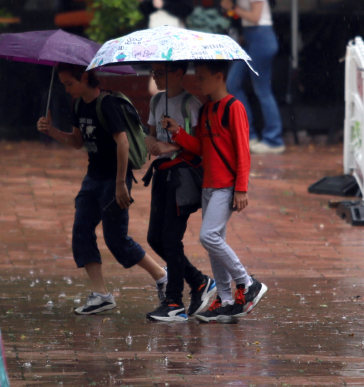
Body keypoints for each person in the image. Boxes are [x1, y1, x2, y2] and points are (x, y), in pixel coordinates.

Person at [36, 63, 168, 315]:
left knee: (116, 239)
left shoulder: (107, 104)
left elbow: (123, 143)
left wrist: (120, 184)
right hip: (92, 178)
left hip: (114, 180)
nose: (66, 89)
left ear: (85, 77)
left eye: (69, 84)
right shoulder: (78, 105)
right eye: (63, 84)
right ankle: (101, 294)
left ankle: (162, 276)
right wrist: (51, 131)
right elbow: (77, 142)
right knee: (81, 230)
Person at [161, 60, 268, 323]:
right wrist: (177, 133)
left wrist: (241, 188)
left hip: (227, 185)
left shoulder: (234, 107)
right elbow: (202, 148)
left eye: (202, 77)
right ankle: (226, 300)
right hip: (209, 185)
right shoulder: (207, 109)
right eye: (196, 77)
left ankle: (247, 283)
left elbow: (243, 150)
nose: (197, 82)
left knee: (208, 236)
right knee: (213, 241)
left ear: (219, 77)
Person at [142, 62, 218, 322]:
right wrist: (154, 144)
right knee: (155, 238)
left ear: (178, 73)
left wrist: (174, 139)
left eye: (160, 72)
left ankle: (174, 302)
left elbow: (199, 147)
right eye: (153, 72)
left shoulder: (191, 104)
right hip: (162, 174)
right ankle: (199, 282)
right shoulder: (156, 102)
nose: (155, 76)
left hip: (182, 178)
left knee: (171, 239)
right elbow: (149, 136)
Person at [221, 0, 285, 154]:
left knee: (262, 89)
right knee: (233, 83)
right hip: (250, 39)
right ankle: (249, 135)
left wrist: (232, 8)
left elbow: (255, 17)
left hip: (260, 38)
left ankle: (273, 139)